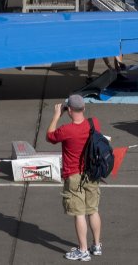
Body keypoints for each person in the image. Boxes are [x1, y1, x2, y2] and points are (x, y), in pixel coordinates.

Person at [46, 94, 102, 262]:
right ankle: (97, 245)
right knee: (93, 210)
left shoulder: (66, 130)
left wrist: (56, 116)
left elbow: (50, 136)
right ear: (83, 108)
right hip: (92, 173)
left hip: (74, 175)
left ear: (69, 110)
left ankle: (83, 250)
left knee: (79, 213)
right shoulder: (94, 123)